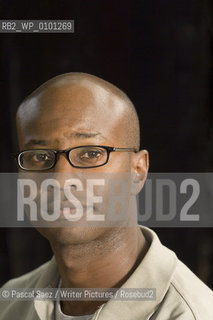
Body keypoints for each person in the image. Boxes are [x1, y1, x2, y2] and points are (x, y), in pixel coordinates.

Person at [1, 73, 213, 320]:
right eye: (39, 157)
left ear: (138, 170)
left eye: (91, 154)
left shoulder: (191, 314)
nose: (60, 180)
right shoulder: (11, 303)